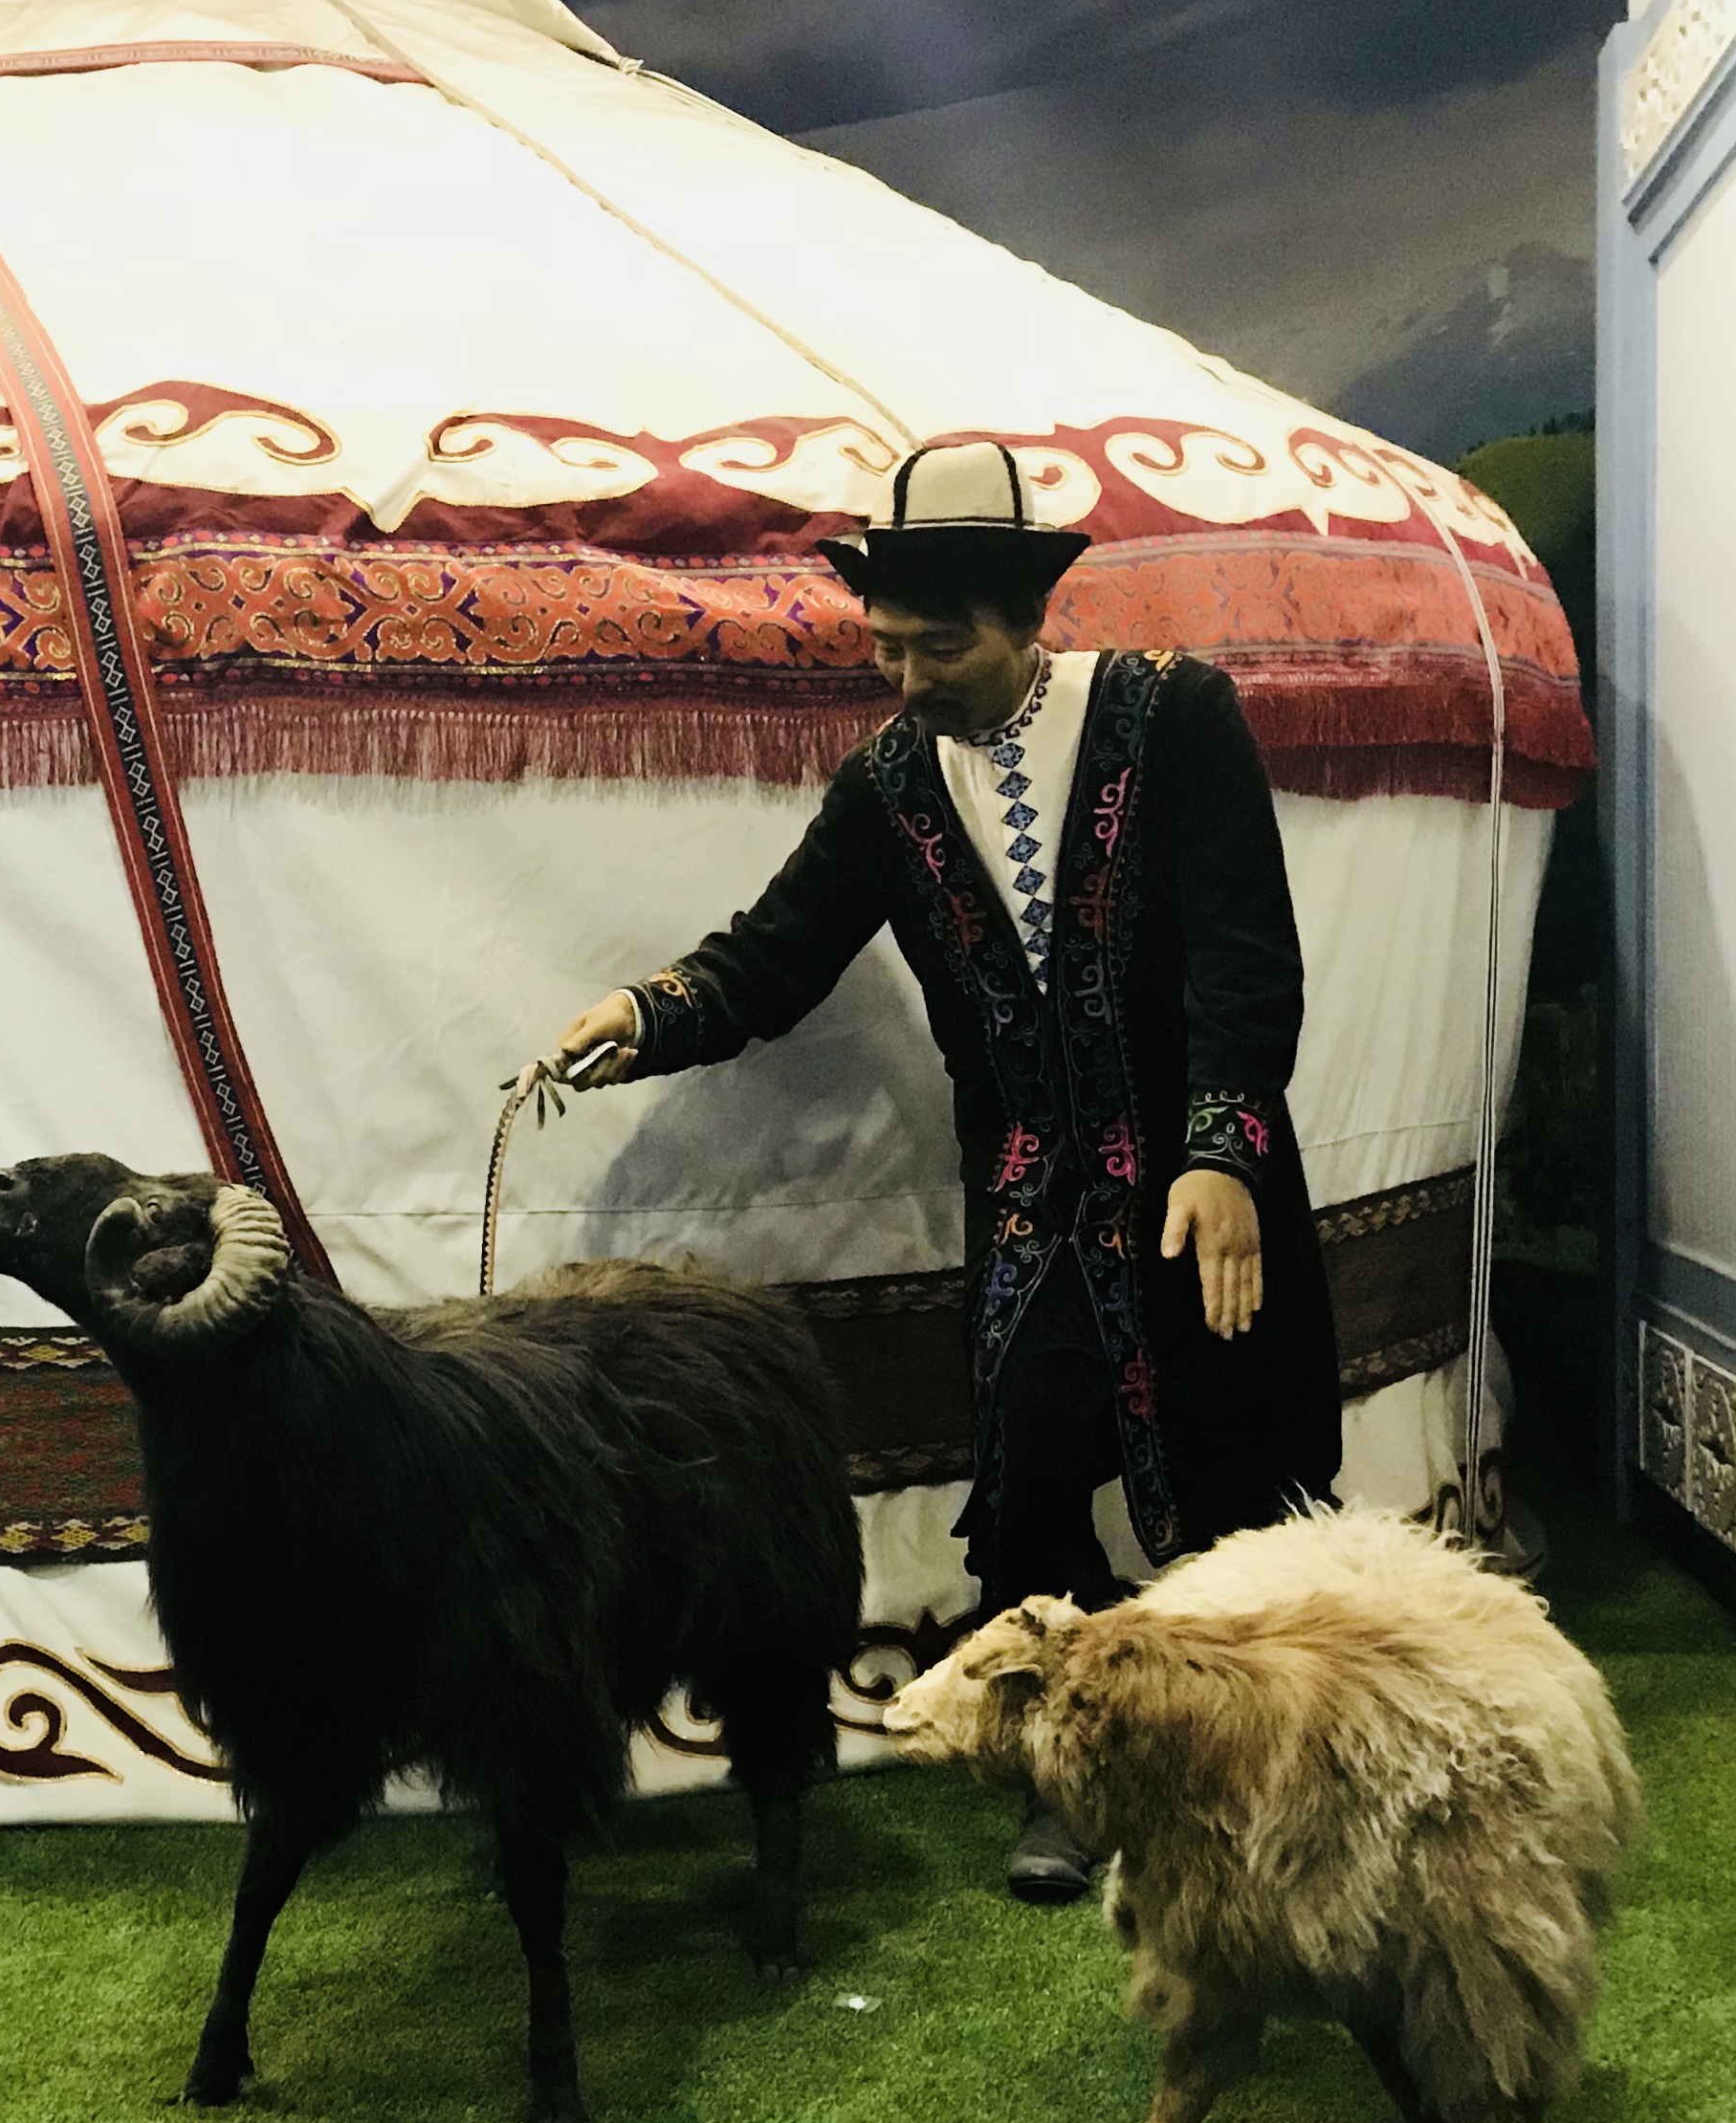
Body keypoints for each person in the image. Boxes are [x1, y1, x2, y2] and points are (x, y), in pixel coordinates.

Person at [548, 440, 1339, 1902]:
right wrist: (650, 1014)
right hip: (1031, 1199)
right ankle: (1066, 1776)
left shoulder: (1174, 716)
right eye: (885, 648)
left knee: (1230, 1470)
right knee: (1028, 1480)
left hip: (1192, 1186)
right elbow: (778, 948)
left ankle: (1256, 1766)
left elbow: (1243, 949)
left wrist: (1224, 1148)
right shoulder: (892, 782)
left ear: (1023, 616)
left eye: (938, 645)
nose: (905, 677)